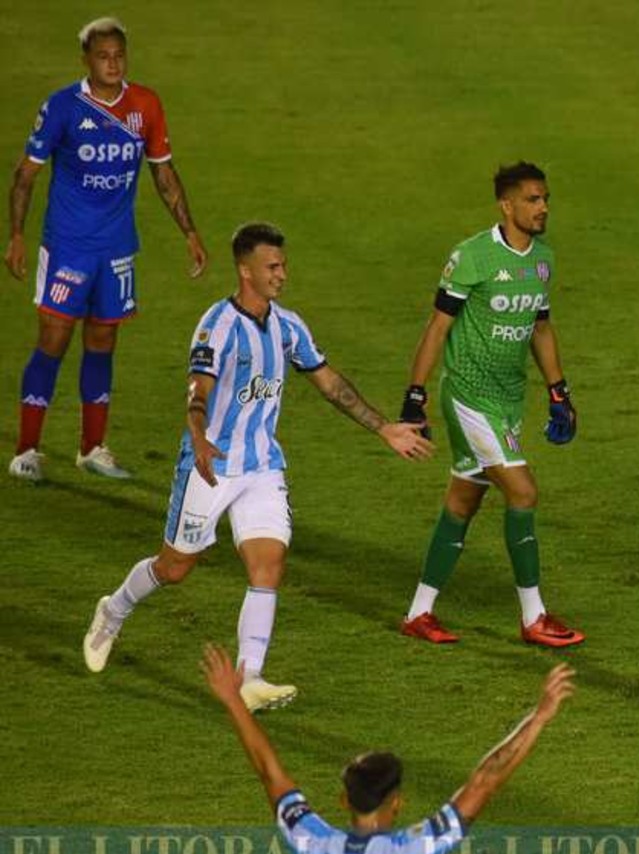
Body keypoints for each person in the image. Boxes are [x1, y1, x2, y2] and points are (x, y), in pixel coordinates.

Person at [83, 223, 434, 710]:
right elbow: (198, 388)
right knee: (176, 567)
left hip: (262, 465)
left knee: (268, 564)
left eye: (283, 265)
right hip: (212, 465)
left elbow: (331, 384)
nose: (282, 275)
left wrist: (384, 429)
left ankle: (250, 678)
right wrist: (200, 435)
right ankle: (114, 608)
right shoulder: (218, 326)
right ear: (245, 270)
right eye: (273, 267)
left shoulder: (288, 326)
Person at [200, 642, 575, 854]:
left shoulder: (312, 844)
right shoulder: (412, 852)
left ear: (344, 799)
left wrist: (233, 700)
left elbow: (270, 772)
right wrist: (539, 716)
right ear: (396, 803)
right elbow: (485, 781)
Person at [6, 16, 209, 482]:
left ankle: (92, 447)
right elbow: (24, 176)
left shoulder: (146, 105)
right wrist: (17, 235)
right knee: (52, 342)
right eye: (103, 56)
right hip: (68, 248)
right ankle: (26, 450)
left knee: (102, 343)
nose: (113, 63)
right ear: (87, 60)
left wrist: (190, 232)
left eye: (119, 55)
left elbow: (164, 173)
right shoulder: (62, 107)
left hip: (116, 248)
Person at [396, 160, 584, 648]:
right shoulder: (472, 257)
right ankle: (533, 616)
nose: (542, 208)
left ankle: (419, 612)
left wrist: (558, 390)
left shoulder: (542, 259)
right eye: (532, 199)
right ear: (507, 204)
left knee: (463, 500)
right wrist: (414, 398)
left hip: (507, 400)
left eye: (545, 199)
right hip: (469, 395)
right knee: (522, 493)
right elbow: (437, 328)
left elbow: (540, 327)